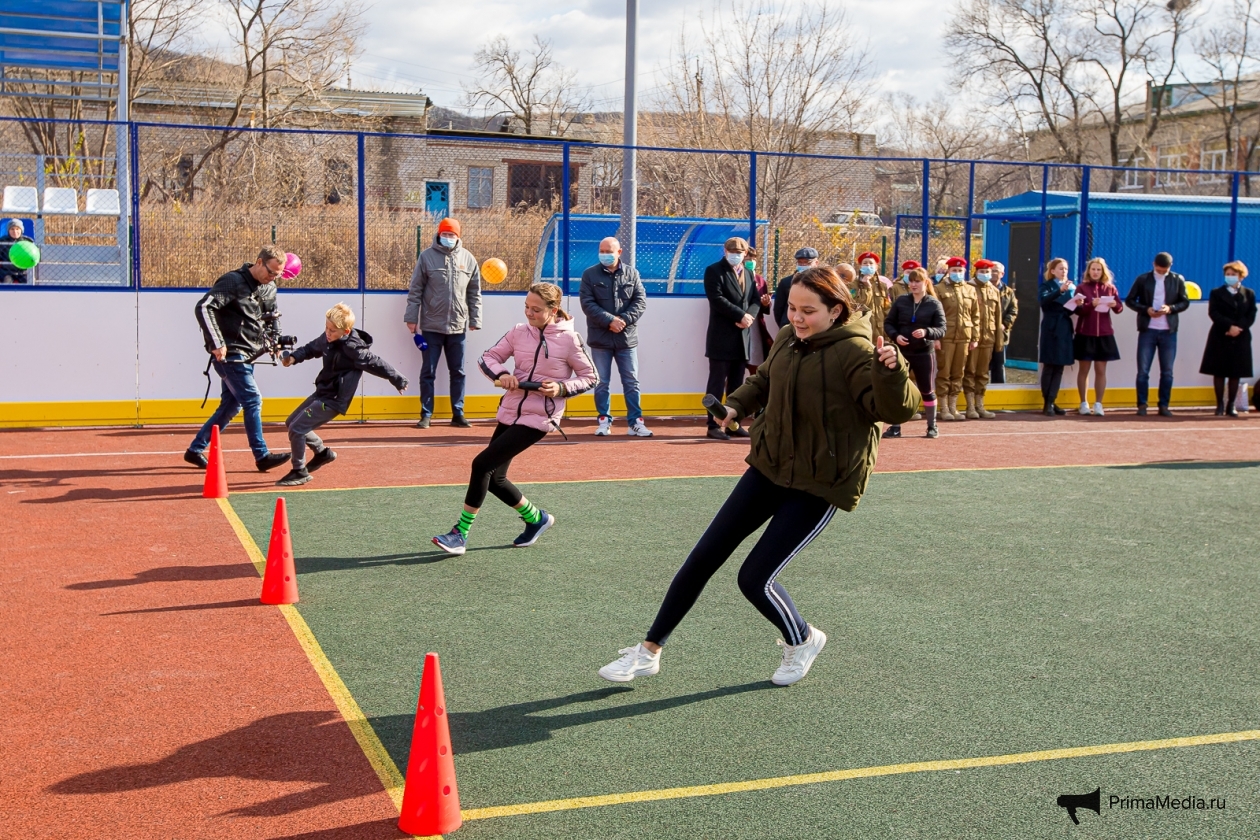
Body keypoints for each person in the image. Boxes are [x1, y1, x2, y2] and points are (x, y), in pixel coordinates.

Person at [597, 267, 919, 687]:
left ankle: (802, 639)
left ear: (836, 310)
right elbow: (764, 380)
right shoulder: (788, 338)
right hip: (770, 465)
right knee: (703, 557)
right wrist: (734, 407)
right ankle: (649, 651)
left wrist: (893, 371)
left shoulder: (857, 353)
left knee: (754, 579)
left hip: (819, 482)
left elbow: (894, 411)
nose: (797, 318)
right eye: (791, 308)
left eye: (808, 311)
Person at [432, 283, 597, 555]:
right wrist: (502, 375)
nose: (529, 313)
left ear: (553, 310)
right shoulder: (519, 332)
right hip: (511, 409)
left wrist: (561, 388)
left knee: (481, 464)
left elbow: (591, 377)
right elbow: (489, 357)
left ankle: (459, 534)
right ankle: (537, 519)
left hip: (539, 418)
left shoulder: (570, 339)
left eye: (536, 309)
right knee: (496, 478)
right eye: (526, 307)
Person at [276, 303, 409, 486]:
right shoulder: (327, 338)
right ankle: (323, 453)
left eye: (332, 331)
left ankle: (299, 471)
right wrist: (293, 358)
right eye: (326, 328)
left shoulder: (354, 349)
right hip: (322, 392)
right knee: (291, 423)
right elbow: (311, 348)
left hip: (335, 399)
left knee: (298, 428)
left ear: (345, 331)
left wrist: (398, 379)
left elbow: (376, 363)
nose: (327, 333)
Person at [186, 247, 291, 472]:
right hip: (230, 354)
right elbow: (204, 307)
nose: (272, 278)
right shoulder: (233, 281)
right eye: (271, 272)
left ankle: (195, 450)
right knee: (253, 399)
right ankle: (261, 456)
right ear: (259, 262)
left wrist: (275, 343)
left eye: (278, 275)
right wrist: (217, 343)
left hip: (250, 354)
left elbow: (272, 317)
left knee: (230, 406)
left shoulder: (270, 287)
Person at [404, 217, 482, 429]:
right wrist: (411, 318)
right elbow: (416, 290)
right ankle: (426, 414)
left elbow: (474, 292)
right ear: (439, 234)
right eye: (445, 234)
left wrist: (475, 319)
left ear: (458, 236)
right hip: (431, 326)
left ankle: (458, 413)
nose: (448, 238)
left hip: (458, 327)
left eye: (452, 234)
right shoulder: (426, 257)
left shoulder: (469, 259)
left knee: (458, 372)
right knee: (428, 371)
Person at [579, 236, 651, 437]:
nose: (604, 255)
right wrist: (610, 320)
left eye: (608, 251)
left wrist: (624, 320)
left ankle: (635, 422)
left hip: (626, 339)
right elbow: (587, 303)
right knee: (601, 382)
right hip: (600, 339)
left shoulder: (632, 273)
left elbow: (640, 302)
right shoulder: (589, 275)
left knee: (631, 381)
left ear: (619, 252)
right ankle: (604, 420)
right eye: (601, 251)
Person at [703, 236, 764, 440]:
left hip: (742, 337)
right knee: (717, 382)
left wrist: (750, 317)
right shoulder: (714, 271)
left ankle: (732, 424)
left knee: (737, 383)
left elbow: (755, 299)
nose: (735, 255)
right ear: (725, 250)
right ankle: (713, 425)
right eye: (732, 251)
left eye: (739, 252)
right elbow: (716, 298)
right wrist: (740, 316)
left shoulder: (748, 273)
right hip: (721, 337)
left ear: (745, 253)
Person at [1125, 252, 1190, 416]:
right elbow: (1130, 300)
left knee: (1167, 371)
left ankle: (1164, 405)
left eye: (1165, 270)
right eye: (1159, 270)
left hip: (1169, 331)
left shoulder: (1177, 279)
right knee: (1143, 371)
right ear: (1154, 265)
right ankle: (1142, 404)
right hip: (1148, 329)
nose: (1162, 273)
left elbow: (1185, 302)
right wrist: (1146, 310)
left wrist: (1170, 308)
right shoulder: (1143, 279)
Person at [884, 267, 946, 439]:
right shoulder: (901, 301)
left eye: (917, 281)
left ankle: (932, 426)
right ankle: (895, 427)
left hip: (924, 353)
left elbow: (941, 329)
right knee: (898, 388)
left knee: (926, 389)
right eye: (911, 281)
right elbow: (889, 323)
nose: (913, 284)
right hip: (902, 352)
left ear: (925, 282)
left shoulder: (933, 303)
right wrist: (896, 336)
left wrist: (927, 332)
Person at [1200, 261, 1256, 416]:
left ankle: (1231, 405)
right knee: (1219, 371)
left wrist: (1239, 328)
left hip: (1241, 337)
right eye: (1228, 274)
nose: (1230, 277)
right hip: (1220, 335)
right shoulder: (1216, 293)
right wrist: (1229, 326)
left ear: (1241, 276)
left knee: (1235, 372)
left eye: (1233, 274)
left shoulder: (1249, 294)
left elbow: (1251, 314)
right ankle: (1219, 404)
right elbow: (1214, 313)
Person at [1072, 257, 1124, 416]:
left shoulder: (1110, 288)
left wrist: (1116, 305)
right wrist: (1090, 305)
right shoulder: (1081, 288)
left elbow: (1119, 309)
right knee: (1084, 369)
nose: (1095, 272)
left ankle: (1099, 404)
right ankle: (1083, 403)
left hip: (1104, 333)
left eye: (1098, 270)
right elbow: (1077, 310)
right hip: (1085, 333)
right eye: (1093, 269)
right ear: (1089, 271)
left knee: (1101, 369)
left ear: (1103, 272)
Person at [934, 257, 979, 421]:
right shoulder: (938, 289)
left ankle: (953, 406)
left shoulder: (970, 290)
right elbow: (935, 315)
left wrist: (975, 337)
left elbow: (975, 315)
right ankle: (943, 407)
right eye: (954, 270)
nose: (957, 273)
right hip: (946, 336)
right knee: (944, 371)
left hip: (964, 336)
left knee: (959, 372)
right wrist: (936, 337)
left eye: (960, 271)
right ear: (948, 271)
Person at [962, 259, 1004, 419]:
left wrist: (998, 341)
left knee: (983, 373)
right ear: (976, 272)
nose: (986, 275)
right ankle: (970, 405)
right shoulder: (969, 288)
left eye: (988, 272)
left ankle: (980, 404)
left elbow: (998, 318)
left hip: (989, 337)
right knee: (970, 371)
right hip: (972, 337)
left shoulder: (994, 291)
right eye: (983, 272)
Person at [1038, 258, 1077, 417]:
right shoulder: (1046, 285)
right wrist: (1059, 290)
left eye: (1066, 269)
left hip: (1064, 328)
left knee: (1059, 366)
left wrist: (1077, 304)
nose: (1064, 271)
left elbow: (1069, 310)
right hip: (1050, 328)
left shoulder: (1071, 287)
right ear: (1053, 271)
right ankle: (1047, 402)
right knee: (1049, 365)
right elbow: (1044, 302)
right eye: (1061, 268)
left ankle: (1052, 401)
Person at [744, 248, 776, 373]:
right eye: (747, 260)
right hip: (738, 324)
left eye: (753, 259)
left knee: (756, 362)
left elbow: (764, 309)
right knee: (734, 368)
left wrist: (766, 303)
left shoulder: (760, 280)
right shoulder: (732, 277)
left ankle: (755, 391)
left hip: (755, 326)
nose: (751, 262)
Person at [851, 252, 891, 343]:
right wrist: (867, 287)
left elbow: (887, 309)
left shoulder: (882, 287)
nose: (868, 265)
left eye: (871, 263)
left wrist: (887, 336)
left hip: (880, 332)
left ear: (876, 267)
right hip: (862, 330)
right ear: (860, 267)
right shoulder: (853, 286)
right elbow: (856, 306)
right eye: (865, 263)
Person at [774, 247, 819, 328]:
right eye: (800, 262)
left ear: (816, 263)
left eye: (807, 263)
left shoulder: (821, 283)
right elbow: (778, 309)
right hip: (790, 326)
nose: (803, 265)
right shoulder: (786, 282)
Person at [988, 261, 1017, 384]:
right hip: (983, 334)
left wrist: (1005, 324)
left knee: (999, 364)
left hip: (1001, 334)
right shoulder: (978, 289)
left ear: (1002, 274)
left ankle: (998, 388)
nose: (993, 273)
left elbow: (1013, 310)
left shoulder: (1008, 292)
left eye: (996, 271)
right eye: (991, 270)